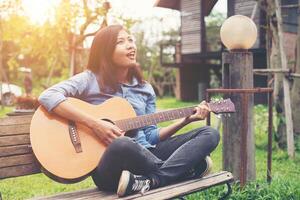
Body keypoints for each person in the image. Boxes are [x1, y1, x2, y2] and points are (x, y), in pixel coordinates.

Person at [38, 25, 220, 197]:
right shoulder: (89, 80)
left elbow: (150, 136)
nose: (130, 46)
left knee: (209, 133)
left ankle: (152, 180)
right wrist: (95, 124)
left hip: (146, 159)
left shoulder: (145, 88)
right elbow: (48, 95)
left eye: (131, 40)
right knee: (123, 143)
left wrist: (185, 121)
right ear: (105, 50)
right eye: (121, 42)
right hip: (112, 171)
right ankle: (179, 171)